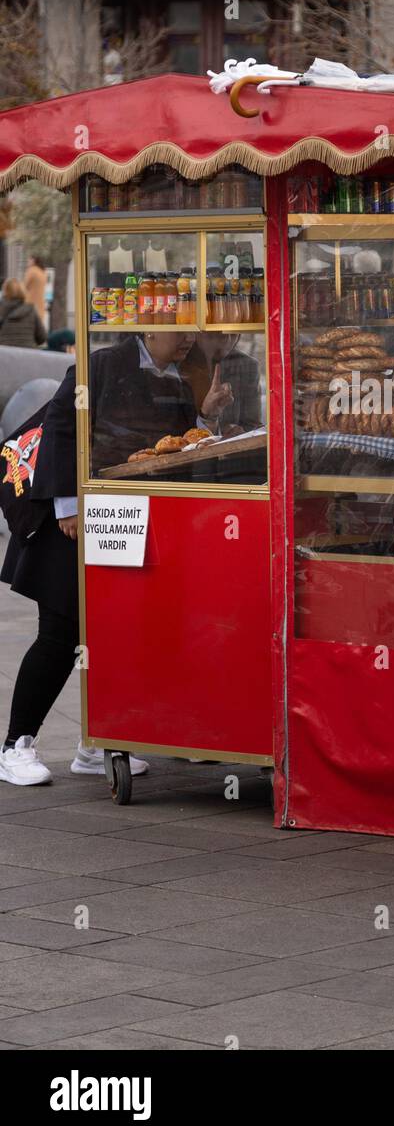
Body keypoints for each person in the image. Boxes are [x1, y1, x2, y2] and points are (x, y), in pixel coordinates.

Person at [0, 380, 149, 785]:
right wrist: (66, 503)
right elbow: (60, 427)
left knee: (108, 633)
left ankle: (96, 743)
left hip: (115, 514)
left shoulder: (175, 372)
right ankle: (15, 745)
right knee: (58, 634)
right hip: (63, 521)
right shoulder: (98, 364)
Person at [88, 331, 233, 473]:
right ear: (150, 329)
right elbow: (77, 432)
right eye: (180, 330)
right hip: (111, 483)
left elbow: (188, 445)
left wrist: (208, 415)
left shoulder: (186, 376)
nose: (190, 338)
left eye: (192, 330)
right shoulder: (103, 364)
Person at [0, 279, 46, 349]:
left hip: (5, 353)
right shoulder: (31, 310)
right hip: (28, 352)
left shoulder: (1, 311)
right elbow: (42, 338)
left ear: (5, 292)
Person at [24, 256, 47, 321]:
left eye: (29, 259)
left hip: (30, 303)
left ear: (34, 260)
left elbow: (25, 286)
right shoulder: (43, 271)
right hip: (41, 305)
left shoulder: (31, 270)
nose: (27, 261)